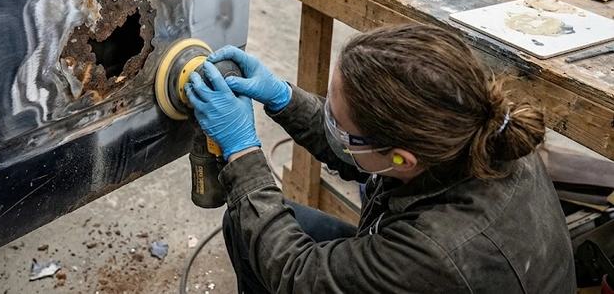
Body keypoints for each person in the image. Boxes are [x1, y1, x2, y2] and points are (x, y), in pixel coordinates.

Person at [184, 24, 575, 293]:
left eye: (338, 124)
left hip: (437, 273)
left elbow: (296, 275)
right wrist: (284, 98)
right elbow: (358, 148)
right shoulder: (480, 128)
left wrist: (242, 150)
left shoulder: (434, 251)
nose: (332, 127)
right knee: (246, 224)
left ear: (402, 159)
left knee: (268, 242)